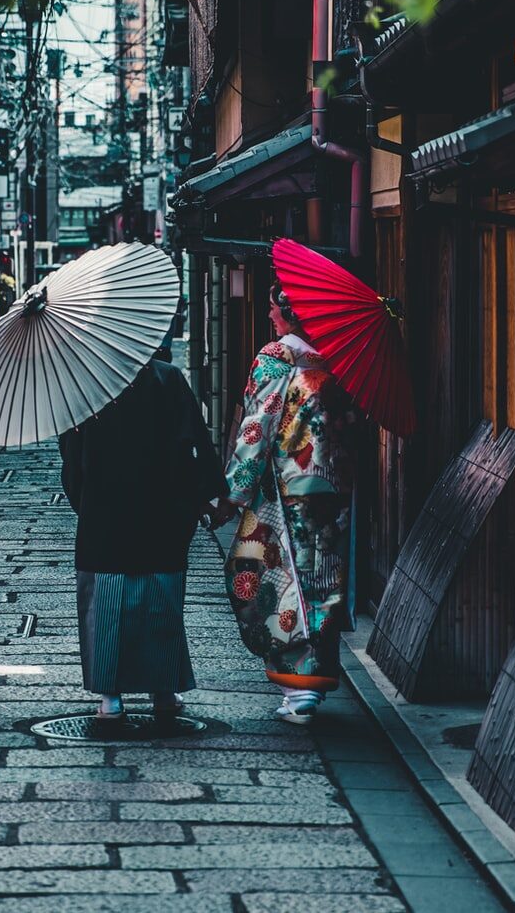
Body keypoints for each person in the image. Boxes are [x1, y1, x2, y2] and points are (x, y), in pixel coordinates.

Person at [60, 336, 226, 720]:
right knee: (161, 603)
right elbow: (195, 444)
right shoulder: (168, 378)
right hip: (163, 513)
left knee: (105, 605)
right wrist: (208, 495)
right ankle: (163, 693)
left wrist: (85, 505)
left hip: (104, 516)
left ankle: (110, 699)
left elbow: (71, 459)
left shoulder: (86, 388)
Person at [212, 281, 355, 724]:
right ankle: (313, 681)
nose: (270, 315)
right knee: (323, 577)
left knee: (275, 572)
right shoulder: (336, 357)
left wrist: (235, 489)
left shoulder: (278, 357)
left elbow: (258, 425)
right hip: (332, 482)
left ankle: (298, 687)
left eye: (274, 308)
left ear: (290, 313)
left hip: (286, 485)